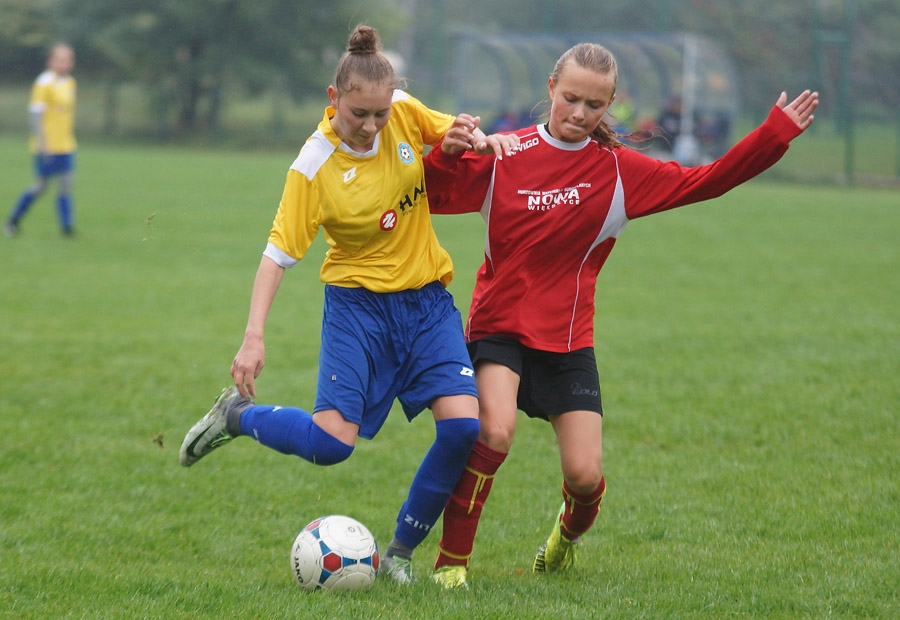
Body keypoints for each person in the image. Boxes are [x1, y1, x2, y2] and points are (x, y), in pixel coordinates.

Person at [423, 42, 818, 589]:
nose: (580, 114)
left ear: (610, 104)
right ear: (550, 89)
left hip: (567, 340)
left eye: (594, 104)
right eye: (570, 99)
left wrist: (774, 133)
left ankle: (565, 535)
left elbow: (709, 179)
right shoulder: (504, 153)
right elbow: (432, 195)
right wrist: (446, 151)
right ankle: (450, 566)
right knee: (494, 430)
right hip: (499, 328)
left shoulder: (620, 172)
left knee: (585, 478)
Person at [178, 24, 515, 585]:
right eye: (359, 113)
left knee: (461, 429)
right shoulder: (313, 166)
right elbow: (276, 257)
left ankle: (398, 555)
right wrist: (254, 336)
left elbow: (447, 131)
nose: (372, 125)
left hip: (428, 304)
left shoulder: (400, 108)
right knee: (333, 445)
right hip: (358, 308)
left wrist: (470, 137)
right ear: (334, 99)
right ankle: (235, 417)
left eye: (380, 114)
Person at [5, 43, 77, 238]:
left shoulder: (70, 83)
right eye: (61, 59)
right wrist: (43, 145)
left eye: (69, 59)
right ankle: (13, 220)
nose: (65, 63)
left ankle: (67, 228)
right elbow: (35, 116)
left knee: (66, 184)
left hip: (66, 145)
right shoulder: (43, 83)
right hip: (47, 146)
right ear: (51, 61)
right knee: (41, 186)